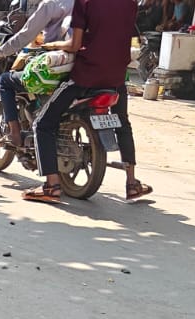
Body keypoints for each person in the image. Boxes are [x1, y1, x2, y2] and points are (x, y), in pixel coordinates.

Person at [25, 0, 150, 201]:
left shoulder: (85, 2)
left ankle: (51, 186)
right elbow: (130, 39)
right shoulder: (131, 3)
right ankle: (132, 183)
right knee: (123, 123)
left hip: (86, 77)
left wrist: (53, 45)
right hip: (117, 77)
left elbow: (74, 45)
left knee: (42, 123)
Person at [0, 0, 73, 147]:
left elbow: (27, 34)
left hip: (57, 63)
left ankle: (14, 133)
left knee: (5, 80)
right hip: (82, 65)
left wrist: (0, 51)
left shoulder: (51, 4)